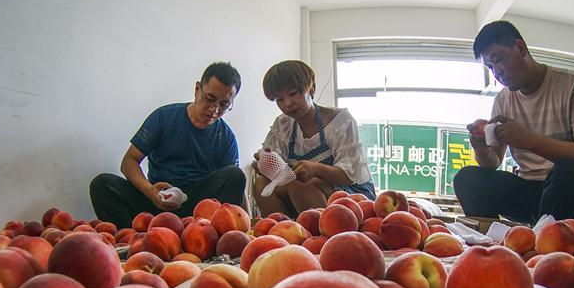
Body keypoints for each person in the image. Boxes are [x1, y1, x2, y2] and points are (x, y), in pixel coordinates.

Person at [453, 21, 574, 225]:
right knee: (468, 179)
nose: (496, 73)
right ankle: (489, 248)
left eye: (498, 60)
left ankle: (550, 246)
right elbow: (493, 162)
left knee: (568, 170)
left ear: (520, 48)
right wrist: (481, 148)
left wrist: (528, 140)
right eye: (490, 67)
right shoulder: (503, 100)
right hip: (533, 194)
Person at [90, 62, 246, 227]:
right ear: (197, 89)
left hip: (198, 210)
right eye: (210, 99)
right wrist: (150, 191)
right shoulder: (164, 118)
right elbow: (129, 161)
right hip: (156, 201)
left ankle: (198, 236)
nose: (214, 110)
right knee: (102, 185)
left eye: (224, 105)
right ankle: (133, 239)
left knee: (235, 175)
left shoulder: (226, 137)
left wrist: (248, 225)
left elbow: (235, 187)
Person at [252, 60, 374, 217]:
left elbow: (350, 175)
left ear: (311, 89)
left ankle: (320, 237)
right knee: (261, 185)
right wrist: (266, 165)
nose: (288, 104)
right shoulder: (283, 125)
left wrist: (316, 169)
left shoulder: (340, 121)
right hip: (303, 195)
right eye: (279, 99)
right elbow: (278, 172)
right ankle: (284, 234)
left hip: (350, 197)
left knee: (300, 185)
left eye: (293, 94)